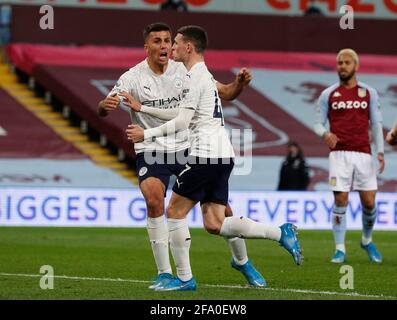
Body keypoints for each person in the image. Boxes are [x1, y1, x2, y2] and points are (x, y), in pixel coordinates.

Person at [126, 25, 302, 291]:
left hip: (204, 155)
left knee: (174, 212)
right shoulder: (200, 75)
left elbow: (183, 120)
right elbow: (180, 112)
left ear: (188, 47)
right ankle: (280, 233)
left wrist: (146, 132)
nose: (171, 47)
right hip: (223, 154)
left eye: (175, 43)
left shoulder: (196, 77)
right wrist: (143, 108)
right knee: (214, 223)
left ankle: (184, 279)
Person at [98, 23, 265, 290]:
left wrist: (239, 84)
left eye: (167, 40)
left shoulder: (185, 70)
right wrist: (105, 107)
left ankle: (242, 261)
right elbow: (106, 105)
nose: (164, 45)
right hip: (152, 149)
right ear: (147, 47)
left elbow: (225, 93)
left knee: (222, 212)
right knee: (154, 200)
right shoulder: (132, 77)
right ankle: (165, 273)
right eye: (157, 41)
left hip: (187, 147)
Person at [314, 48, 385, 264]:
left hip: (364, 152)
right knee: (341, 199)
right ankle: (340, 248)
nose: (342, 66)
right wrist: (325, 133)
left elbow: (376, 124)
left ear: (356, 66)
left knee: (369, 202)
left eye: (346, 63)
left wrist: (380, 152)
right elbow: (317, 123)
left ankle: (366, 239)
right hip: (339, 154)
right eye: (339, 63)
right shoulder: (329, 94)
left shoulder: (369, 93)